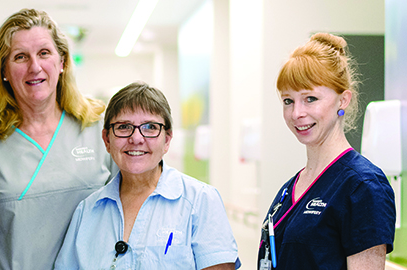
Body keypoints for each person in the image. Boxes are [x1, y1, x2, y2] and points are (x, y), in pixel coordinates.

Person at [0, 8, 118, 270]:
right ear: (3, 70)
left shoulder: (99, 129)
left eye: (44, 53)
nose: (34, 67)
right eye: (20, 57)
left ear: (62, 63)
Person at [54, 82, 241, 269]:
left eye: (150, 127)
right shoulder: (87, 211)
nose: (136, 138)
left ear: (167, 140)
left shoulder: (201, 201)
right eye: (123, 127)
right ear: (107, 140)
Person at [257, 33, 395, 269]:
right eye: (288, 101)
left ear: (343, 100)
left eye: (310, 98)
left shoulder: (363, 187)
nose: (296, 113)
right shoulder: (292, 187)